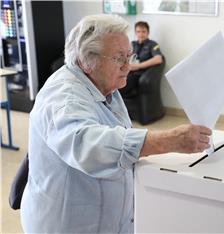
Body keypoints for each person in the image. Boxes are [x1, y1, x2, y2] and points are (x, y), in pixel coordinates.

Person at [20, 14, 211, 233]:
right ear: (85, 61)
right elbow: (88, 145)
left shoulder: (103, 83)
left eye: (129, 55)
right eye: (119, 58)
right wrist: (166, 141)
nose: (127, 66)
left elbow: (116, 134)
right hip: (69, 225)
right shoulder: (64, 97)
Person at [119, 21, 163, 96]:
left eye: (143, 32)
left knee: (122, 86)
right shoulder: (132, 44)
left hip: (139, 74)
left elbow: (158, 59)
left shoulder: (152, 44)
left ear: (148, 32)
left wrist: (138, 66)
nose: (141, 34)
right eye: (138, 32)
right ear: (135, 33)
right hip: (128, 71)